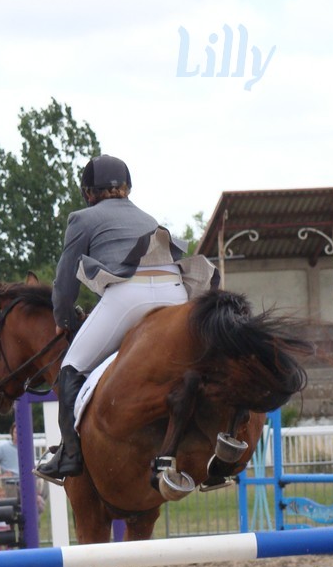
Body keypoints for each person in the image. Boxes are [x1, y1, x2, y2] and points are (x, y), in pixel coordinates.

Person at [34, 154, 216, 484]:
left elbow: (64, 282)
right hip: (176, 292)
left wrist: (62, 319)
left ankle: (70, 455)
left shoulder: (82, 218)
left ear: (88, 192)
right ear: (127, 188)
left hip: (129, 295)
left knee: (70, 367)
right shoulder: (147, 217)